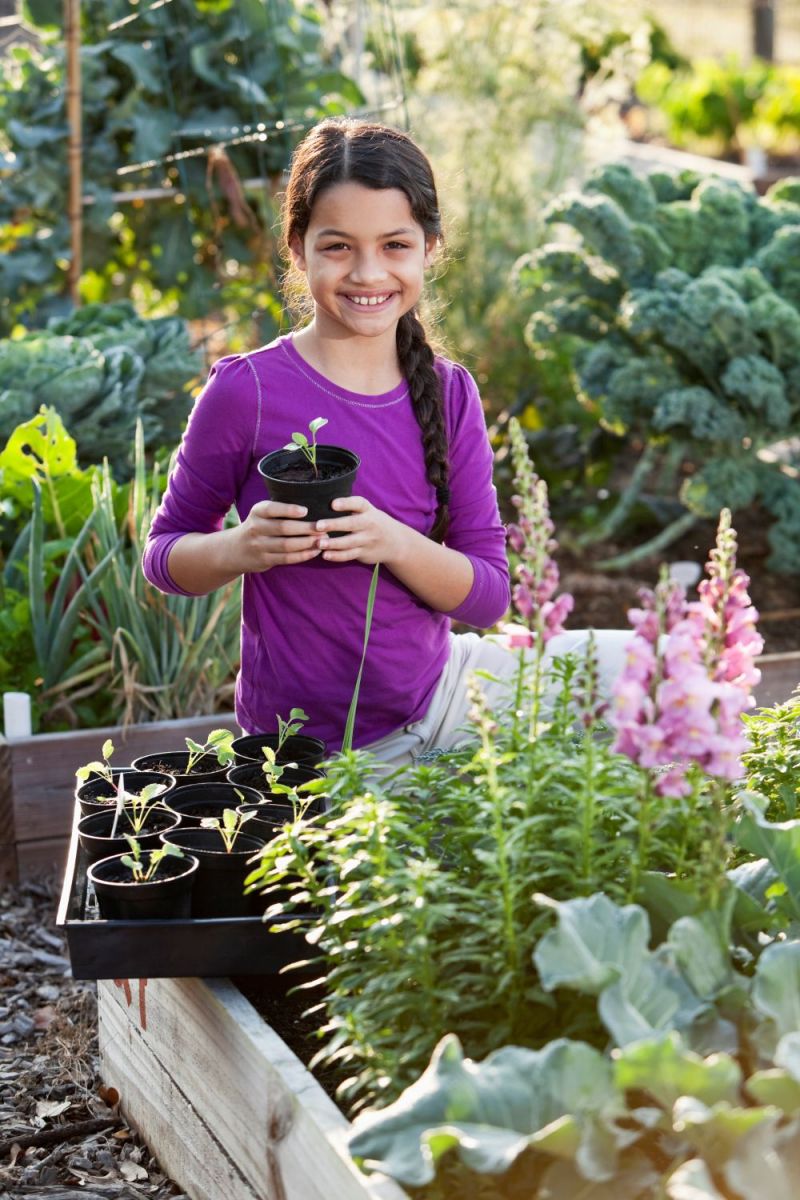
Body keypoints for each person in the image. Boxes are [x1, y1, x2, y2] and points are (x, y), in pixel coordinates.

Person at [143, 118, 628, 767]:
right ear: (297, 247)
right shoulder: (246, 392)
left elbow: (487, 596)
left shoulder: (449, 393)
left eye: (395, 245)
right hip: (311, 751)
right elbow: (164, 556)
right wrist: (241, 547)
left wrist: (393, 541)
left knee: (651, 673)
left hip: (446, 694)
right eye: (338, 246)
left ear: (430, 248)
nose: (368, 272)